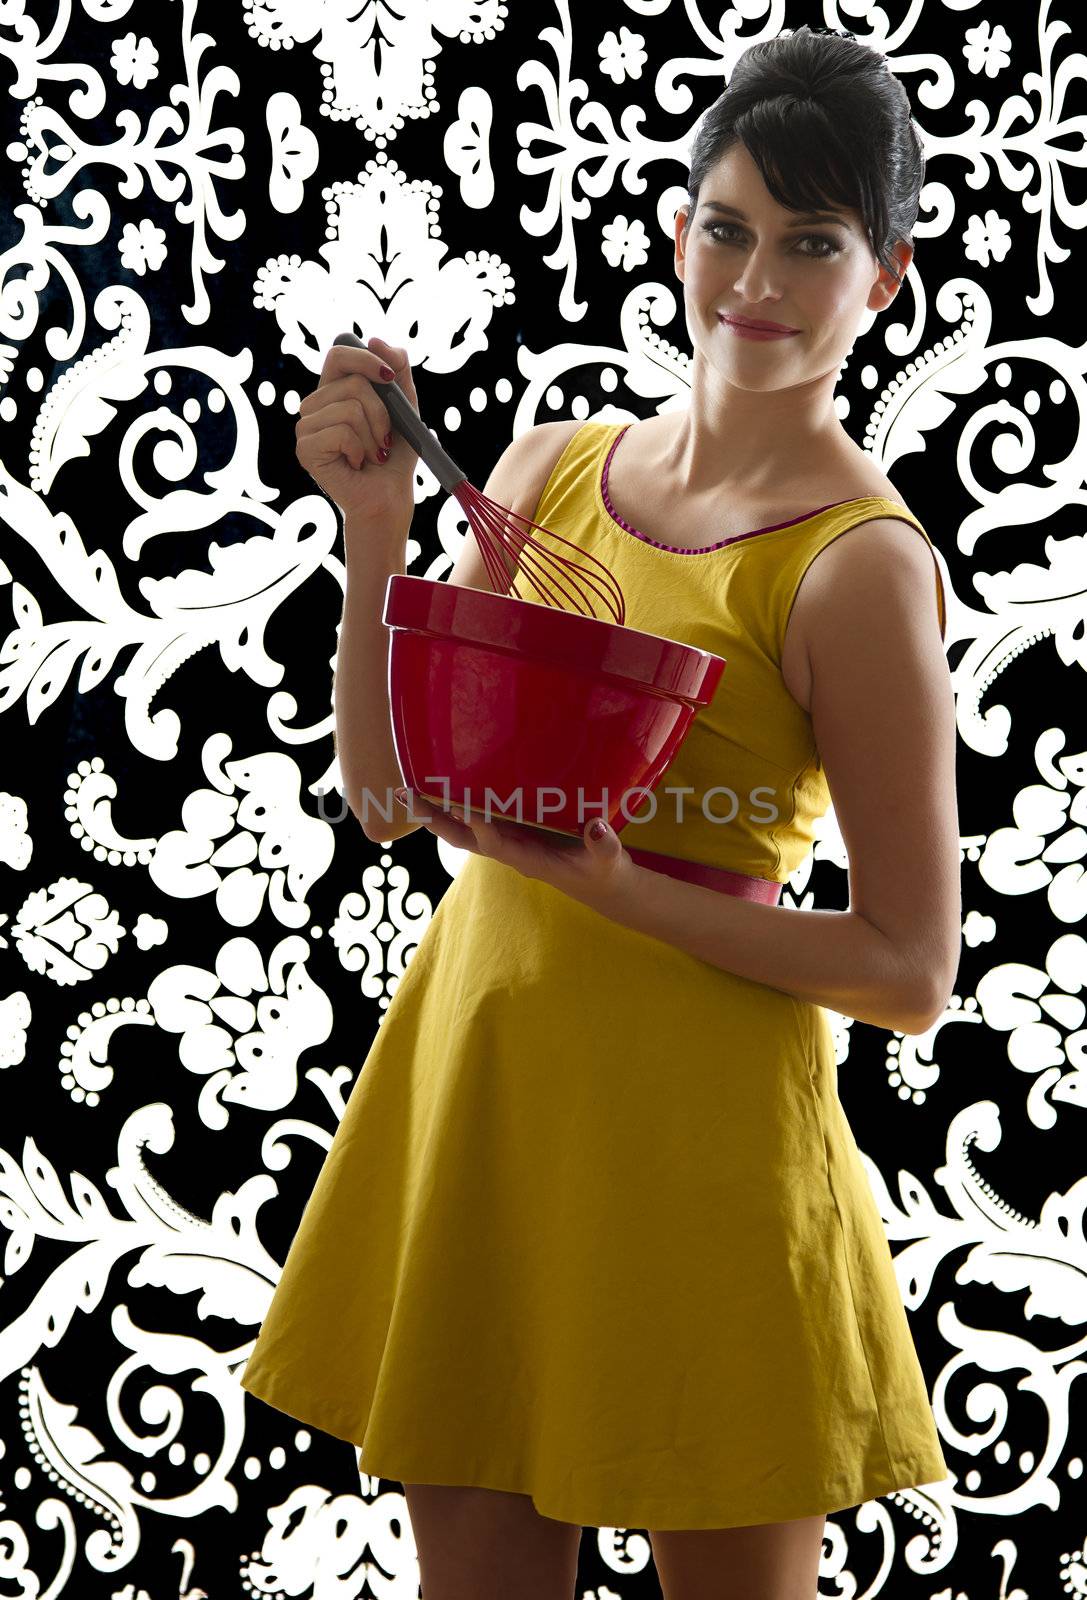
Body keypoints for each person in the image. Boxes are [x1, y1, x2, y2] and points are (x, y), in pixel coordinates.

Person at [241, 22, 959, 1599]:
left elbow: (912, 968)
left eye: (813, 244)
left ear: (882, 278)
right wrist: (376, 549)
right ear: (678, 224)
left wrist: (615, 889)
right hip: (489, 1093)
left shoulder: (858, 565)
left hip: (705, 1153)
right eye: (729, 228)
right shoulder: (555, 470)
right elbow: (388, 798)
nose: (756, 281)